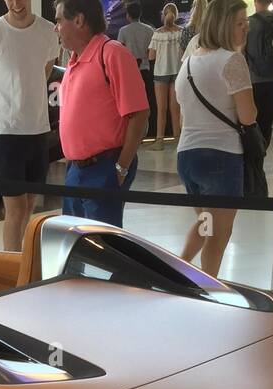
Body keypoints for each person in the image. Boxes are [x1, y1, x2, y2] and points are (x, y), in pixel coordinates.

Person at [0, 0, 59, 252]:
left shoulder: (48, 32)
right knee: (15, 210)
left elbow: (43, 72)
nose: (16, 3)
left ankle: (22, 264)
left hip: (38, 133)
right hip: (6, 137)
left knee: (28, 208)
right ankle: (12, 268)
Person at [175, 0, 256, 276]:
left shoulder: (189, 61)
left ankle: (180, 268)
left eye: (246, 22)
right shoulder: (231, 60)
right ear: (223, 26)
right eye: (239, 23)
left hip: (187, 157)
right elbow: (248, 116)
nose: (245, 28)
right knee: (218, 235)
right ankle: (210, 290)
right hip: (220, 158)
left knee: (205, 222)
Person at [53, 0, 149, 227]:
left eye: (58, 20)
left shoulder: (112, 53)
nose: (55, 27)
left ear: (78, 20)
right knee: (76, 246)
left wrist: (121, 168)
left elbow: (139, 114)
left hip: (104, 167)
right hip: (76, 169)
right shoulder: (74, 60)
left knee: (103, 248)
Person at [246, 0, 273, 146]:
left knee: (253, 120)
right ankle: (264, 147)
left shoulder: (249, 23)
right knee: (267, 119)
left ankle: (255, 153)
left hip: (254, 78)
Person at [118, 3, 156, 141]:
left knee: (131, 105)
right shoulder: (149, 30)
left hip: (129, 73)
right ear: (140, 14)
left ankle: (132, 135)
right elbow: (151, 52)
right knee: (146, 103)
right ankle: (147, 132)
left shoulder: (123, 31)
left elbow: (120, 51)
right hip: (145, 70)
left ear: (128, 15)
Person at [147, 4, 183, 148]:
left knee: (161, 108)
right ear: (176, 14)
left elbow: (151, 56)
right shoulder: (181, 32)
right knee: (176, 108)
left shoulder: (157, 33)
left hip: (161, 73)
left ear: (163, 15)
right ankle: (177, 138)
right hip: (177, 72)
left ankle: (160, 140)